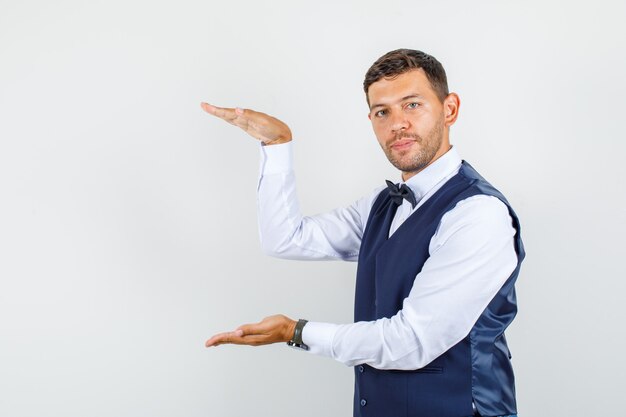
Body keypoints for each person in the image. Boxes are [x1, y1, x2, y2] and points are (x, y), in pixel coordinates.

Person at [201, 49, 525, 417]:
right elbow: (285, 239)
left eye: (412, 104)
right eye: (382, 112)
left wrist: (295, 331)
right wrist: (277, 147)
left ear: (449, 109)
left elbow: (413, 341)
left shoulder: (478, 213)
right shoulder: (382, 203)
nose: (397, 124)